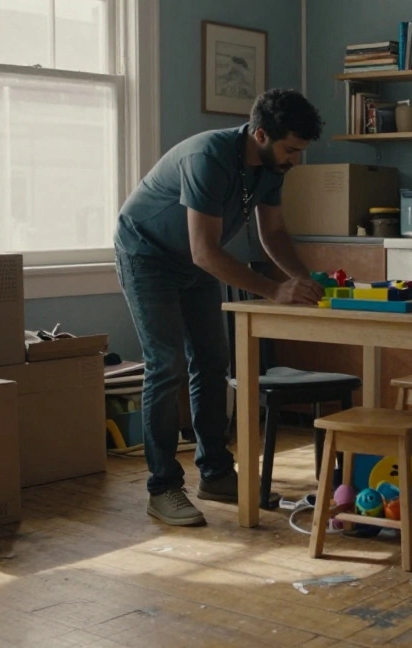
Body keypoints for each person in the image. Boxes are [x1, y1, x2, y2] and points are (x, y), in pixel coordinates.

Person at [114, 88, 327, 526]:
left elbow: (273, 234)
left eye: (301, 151)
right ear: (261, 134)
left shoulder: (272, 167)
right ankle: (163, 488)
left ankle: (214, 474)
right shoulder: (208, 157)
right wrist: (274, 291)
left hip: (193, 259)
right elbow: (206, 252)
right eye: (290, 150)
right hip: (146, 254)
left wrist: (300, 279)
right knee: (166, 365)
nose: (295, 160)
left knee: (212, 361)